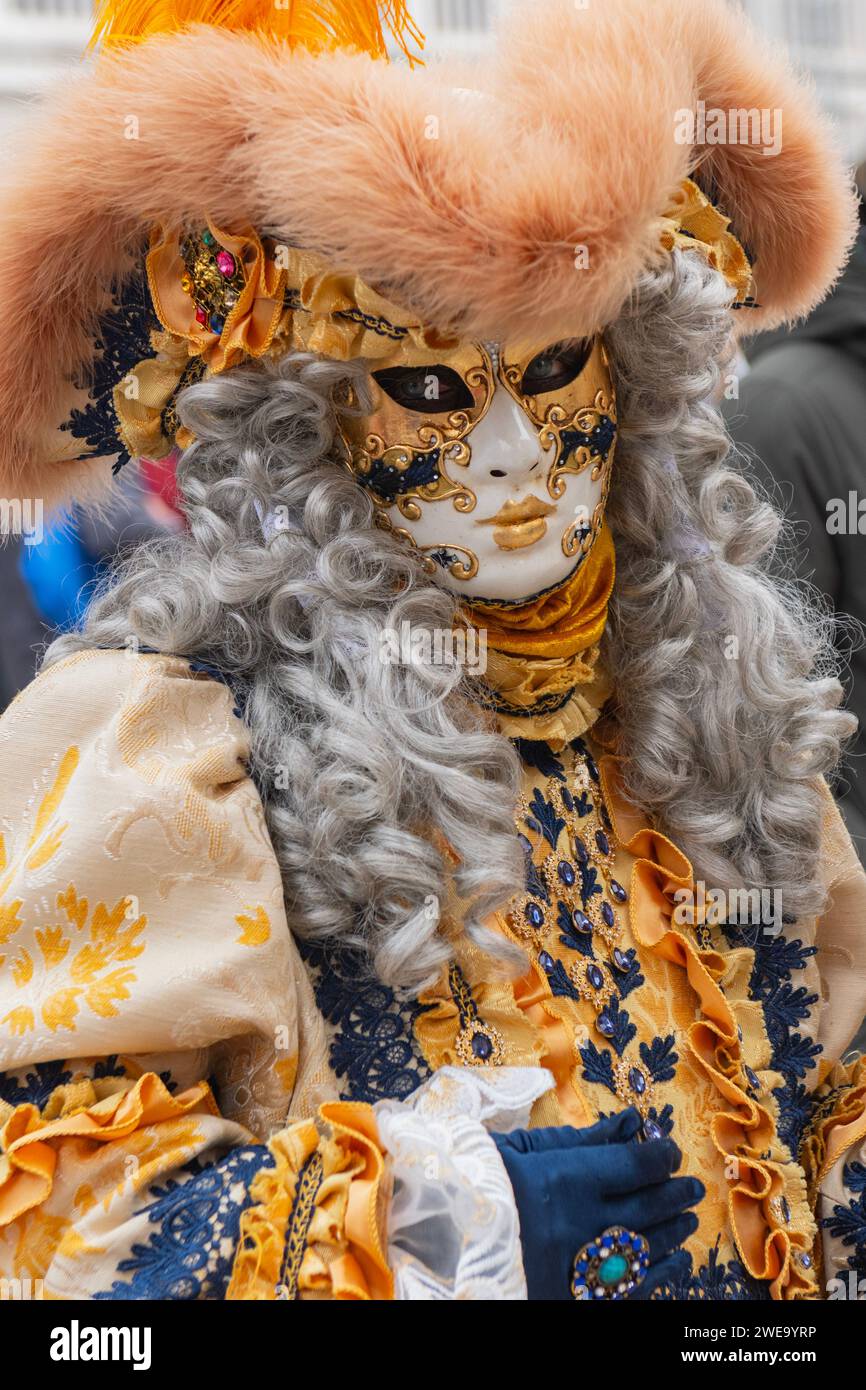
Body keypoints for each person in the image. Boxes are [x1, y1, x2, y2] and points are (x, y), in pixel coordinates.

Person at [0, 0, 864, 1303]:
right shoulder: (162, 748)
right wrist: (445, 1221)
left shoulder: (701, 693)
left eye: (558, 368)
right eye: (429, 389)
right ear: (314, 423)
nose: (512, 452)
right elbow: (57, 1218)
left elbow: (831, 1065)